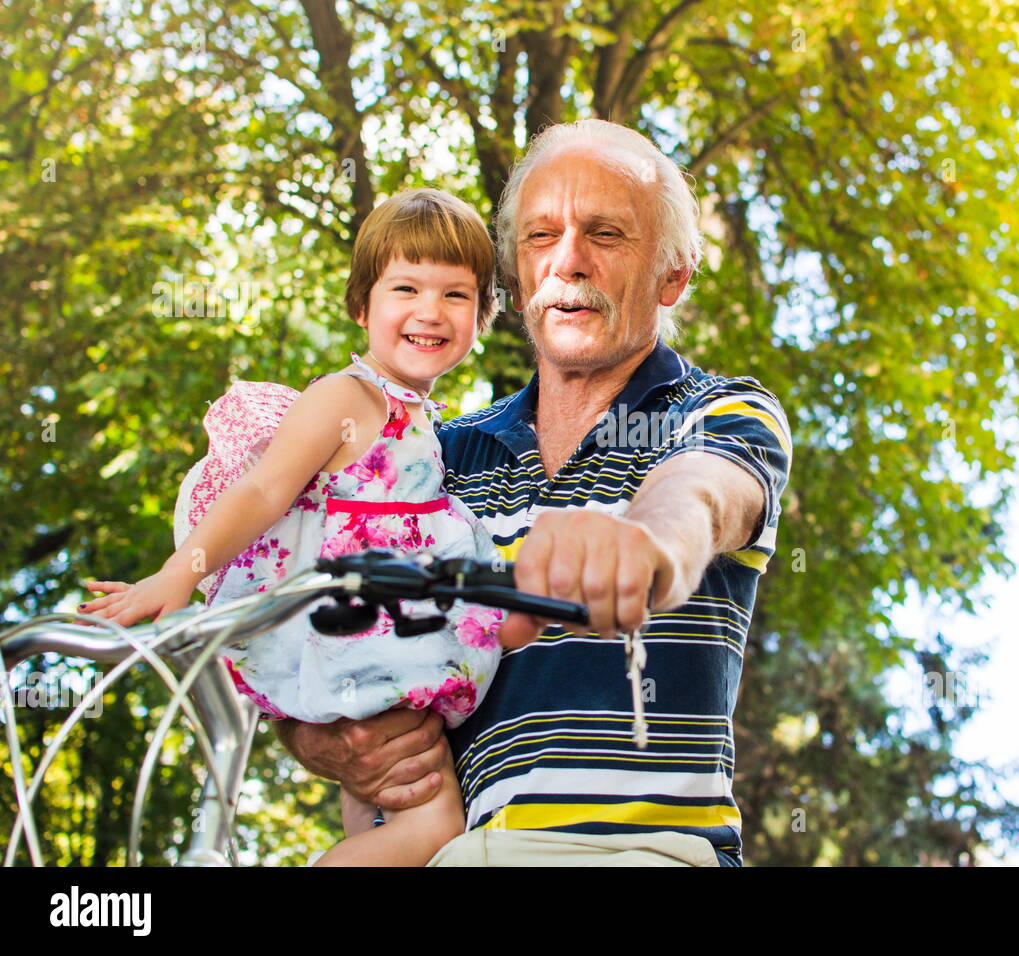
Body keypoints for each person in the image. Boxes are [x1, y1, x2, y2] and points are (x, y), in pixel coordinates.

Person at [276, 120, 794, 866]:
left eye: (607, 234)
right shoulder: (431, 455)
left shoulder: (714, 413)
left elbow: (701, 499)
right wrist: (320, 737)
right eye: (541, 236)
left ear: (673, 274)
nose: (569, 261)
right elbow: (327, 629)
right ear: (516, 279)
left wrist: (643, 544)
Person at [79, 188, 508, 866]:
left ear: (482, 314)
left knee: (378, 834)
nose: (431, 311)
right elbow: (266, 488)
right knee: (431, 831)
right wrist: (175, 577)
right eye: (406, 288)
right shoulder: (349, 397)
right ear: (362, 306)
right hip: (367, 643)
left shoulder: (415, 413)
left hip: (378, 644)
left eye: (456, 295)